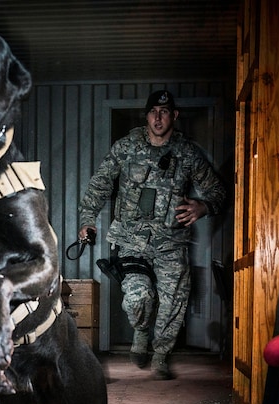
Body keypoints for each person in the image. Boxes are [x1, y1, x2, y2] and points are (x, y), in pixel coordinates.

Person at [77, 90, 227, 380]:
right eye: (153, 112)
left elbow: (218, 192)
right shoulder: (126, 147)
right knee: (137, 298)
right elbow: (99, 185)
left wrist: (204, 206)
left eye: (165, 111)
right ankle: (142, 331)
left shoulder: (187, 153)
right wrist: (87, 221)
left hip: (172, 242)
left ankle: (160, 355)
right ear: (146, 115)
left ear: (174, 116)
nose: (158, 117)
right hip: (132, 241)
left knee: (174, 301)